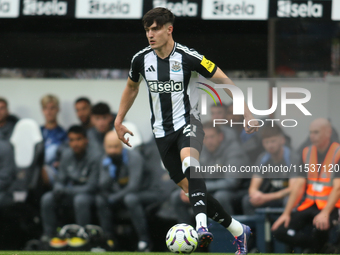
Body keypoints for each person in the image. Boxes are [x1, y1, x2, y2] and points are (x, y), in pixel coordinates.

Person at [114, 7, 259, 254]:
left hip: (189, 123)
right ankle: (237, 230)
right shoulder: (141, 59)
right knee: (190, 190)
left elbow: (225, 81)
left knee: (190, 164)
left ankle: (201, 227)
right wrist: (118, 120)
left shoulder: (189, 57)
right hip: (161, 133)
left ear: (169, 29)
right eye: (147, 30)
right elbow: (131, 87)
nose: (150, 34)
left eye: (155, 29)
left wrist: (247, 112)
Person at [272, 118, 340, 253]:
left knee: (320, 227)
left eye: (316, 132)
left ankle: (318, 247)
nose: (312, 136)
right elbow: (299, 185)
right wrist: (286, 213)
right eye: (310, 132)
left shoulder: (337, 153)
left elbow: (338, 188)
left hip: (330, 207)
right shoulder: (307, 152)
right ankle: (318, 248)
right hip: (308, 204)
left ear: (328, 133)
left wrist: (325, 213)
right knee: (279, 231)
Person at [95, 131, 164, 251]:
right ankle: (108, 240)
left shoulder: (134, 157)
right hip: (124, 194)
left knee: (130, 198)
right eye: (109, 147)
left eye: (115, 146)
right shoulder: (106, 160)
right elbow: (102, 186)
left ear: (121, 145)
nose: (112, 151)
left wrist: (114, 198)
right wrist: (110, 173)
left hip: (149, 192)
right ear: (105, 147)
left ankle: (145, 241)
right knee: (100, 200)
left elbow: (134, 186)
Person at [40, 125, 100, 248]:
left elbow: (92, 186)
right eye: (71, 140)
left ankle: (83, 237)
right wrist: (57, 187)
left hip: (90, 195)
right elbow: (60, 180)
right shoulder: (66, 155)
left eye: (78, 139)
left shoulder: (95, 156)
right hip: (71, 193)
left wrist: (66, 190)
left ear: (86, 140)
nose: (75, 143)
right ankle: (50, 236)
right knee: (48, 198)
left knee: (80, 199)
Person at [242, 125, 298, 215]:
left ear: (282, 140)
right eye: (266, 142)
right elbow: (253, 187)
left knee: (289, 200)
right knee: (248, 200)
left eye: (273, 141)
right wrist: (256, 195)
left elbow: (293, 189)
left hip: (285, 197)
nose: (270, 145)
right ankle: (251, 229)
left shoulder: (293, 158)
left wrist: (265, 197)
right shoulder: (262, 158)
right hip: (268, 196)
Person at [40, 94, 67, 184]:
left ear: (57, 110)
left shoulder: (63, 134)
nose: (49, 112)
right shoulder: (37, 132)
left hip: (56, 173)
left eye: (52, 108)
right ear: (42, 110)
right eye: (46, 108)